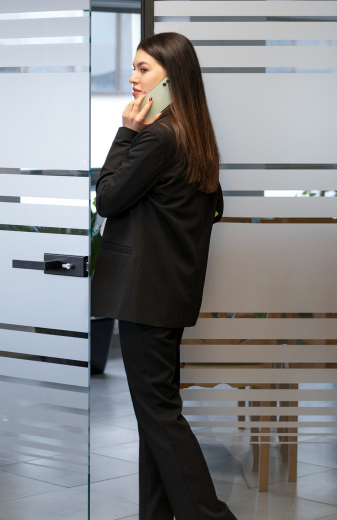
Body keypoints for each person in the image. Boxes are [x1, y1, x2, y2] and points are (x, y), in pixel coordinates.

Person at [92, 32, 236, 520]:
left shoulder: (155, 137)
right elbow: (212, 211)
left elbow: (107, 197)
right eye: (133, 68)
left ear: (171, 80)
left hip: (144, 299)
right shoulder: (194, 137)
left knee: (160, 416)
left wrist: (126, 132)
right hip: (168, 297)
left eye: (143, 69)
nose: (133, 79)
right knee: (156, 416)